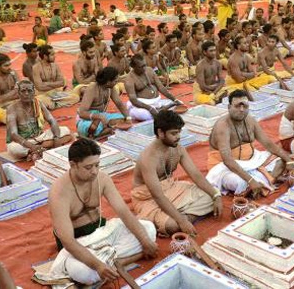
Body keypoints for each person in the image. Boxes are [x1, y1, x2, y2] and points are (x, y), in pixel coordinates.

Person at [47, 138, 158, 285]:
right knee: (84, 272)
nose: (94, 171)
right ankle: (112, 263)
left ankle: (113, 263)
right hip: (80, 243)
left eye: (97, 165)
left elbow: (123, 212)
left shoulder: (102, 179)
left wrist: (144, 240)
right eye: (88, 167)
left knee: (149, 229)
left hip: (103, 232)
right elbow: (68, 241)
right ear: (73, 165)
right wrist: (98, 266)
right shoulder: (59, 191)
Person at [132, 110, 220, 236]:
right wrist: (182, 221)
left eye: (179, 132)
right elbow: (158, 196)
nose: (178, 136)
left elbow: (195, 175)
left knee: (210, 196)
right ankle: (183, 217)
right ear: (160, 132)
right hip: (149, 199)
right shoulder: (148, 158)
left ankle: (182, 215)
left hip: (172, 188)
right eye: (174, 133)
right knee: (172, 225)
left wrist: (215, 195)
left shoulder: (177, 148)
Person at [206, 90, 292, 197]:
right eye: (237, 106)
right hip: (224, 167)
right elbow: (227, 161)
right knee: (240, 182)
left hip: (252, 160)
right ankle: (265, 179)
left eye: (245, 106)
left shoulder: (250, 121)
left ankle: (267, 179)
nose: (242, 110)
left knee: (282, 159)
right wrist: (251, 181)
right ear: (229, 107)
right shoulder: (222, 127)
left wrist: (289, 161)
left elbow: (268, 144)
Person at [6, 79, 72, 161]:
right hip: (23, 142)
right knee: (14, 149)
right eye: (23, 91)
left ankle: (37, 150)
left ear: (34, 92)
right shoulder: (12, 108)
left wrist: (56, 138)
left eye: (29, 91)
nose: (26, 94)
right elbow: (14, 134)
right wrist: (31, 146)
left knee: (65, 130)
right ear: (18, 93)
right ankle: (44, 147)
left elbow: (52, 120)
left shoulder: (38, 103)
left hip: (40, 136)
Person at [124, 54, 181, 121]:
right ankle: (161, 110)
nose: (144, 68)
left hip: (157, 102)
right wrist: (150, 108)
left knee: (177, 106)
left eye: (145, 65)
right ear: (133, 66)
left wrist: (174, 99)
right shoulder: (129, 79)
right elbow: (133, 100)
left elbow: (161, 87)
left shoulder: (149, 70)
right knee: (146, 115)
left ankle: (160, 110)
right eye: (141, 67)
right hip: (142, 105)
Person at [76, 67, 130, 138]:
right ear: (108, 82)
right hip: (87, 119)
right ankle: (103, 131)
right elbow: (82, 113)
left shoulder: (111, 88)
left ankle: (101, 132)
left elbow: (119, 103)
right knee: (92, 127)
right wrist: (98, 117)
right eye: (115, 81)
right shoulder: (92, 88)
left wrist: (128, 118)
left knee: (123, 119)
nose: (117, 82)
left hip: (102, 116)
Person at [33, 45, 80, 110]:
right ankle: (55, 103)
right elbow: (39, 87)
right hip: (43, 94)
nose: (55, 56)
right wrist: (55, 84)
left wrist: (47, 84)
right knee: (40, 101)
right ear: (45, 56)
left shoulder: (55, 65)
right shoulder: (36, 68)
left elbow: (62, 82)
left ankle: (54, 104)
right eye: (52, 55)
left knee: (75, 97)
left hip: (56, 92)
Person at [194, 41, 227, 105]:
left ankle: (216, 99)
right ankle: (216, 100)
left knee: (229, 93)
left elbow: (222, 81)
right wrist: (215, 88)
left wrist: (214, 92)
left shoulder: (218, 63)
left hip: (213, 89)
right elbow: (202, 86)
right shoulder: (200, 65)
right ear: (204, 52)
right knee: (210, 103)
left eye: (214, 50)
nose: (214, 53)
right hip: (202, 91)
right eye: (211, 51)